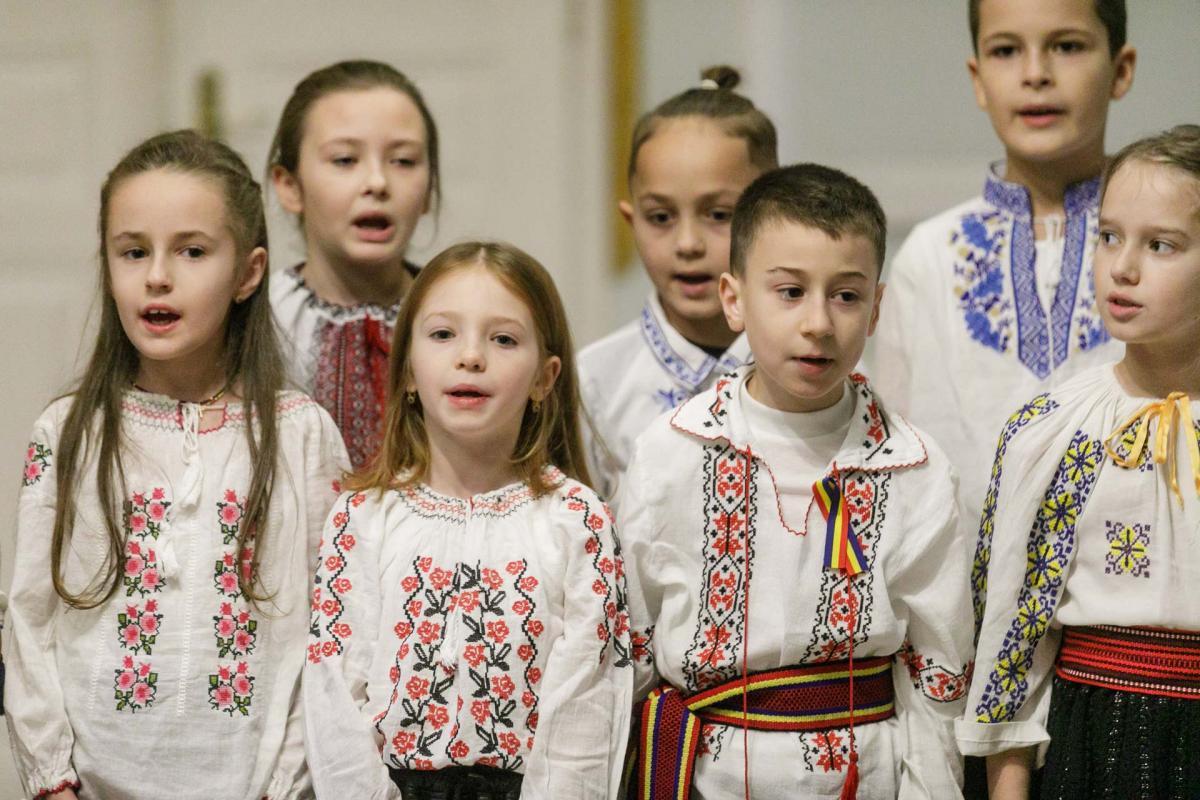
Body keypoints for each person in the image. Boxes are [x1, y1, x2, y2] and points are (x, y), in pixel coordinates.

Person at [4, 130, 349, 800]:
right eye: (133, 251)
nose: (157, 276)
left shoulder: (299, 436)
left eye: (191, 251)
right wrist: (52, 779)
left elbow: (330, 634)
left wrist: (288, 784)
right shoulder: (70, 433)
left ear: (248, 273)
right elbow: (31, 618)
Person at [621, 164, 973, 799]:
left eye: (846, 296)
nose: (818, 323)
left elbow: (938, 673)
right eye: (789, 291)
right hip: (706, 777)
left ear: (875, 308)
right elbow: (630, 656)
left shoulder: (913, 470)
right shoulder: (669, 456)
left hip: (862, 778)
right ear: (734, 299)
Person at [303, 241, 632, 799]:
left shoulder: (577, 521)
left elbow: (587, 708)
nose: (471, 356)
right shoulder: (363, 517)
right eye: (442, 334)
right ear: (408, 370)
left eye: (503, 339)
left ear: (544, 378)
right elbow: (333, 693)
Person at [962, 124, 1200, 800]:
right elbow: (1013, 642)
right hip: (1093, 744)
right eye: (1109, 236)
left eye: (1160, 245)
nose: (1123, 267)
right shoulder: (1053, 430)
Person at [867, 0, 1137, 567]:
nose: (1035, 73)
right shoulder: (930, 257)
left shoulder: (1170, 245)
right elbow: (889, 459)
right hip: (961, 595)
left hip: (1136, 596)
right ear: (978, 79)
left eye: (1067, 46)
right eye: (1007, 50)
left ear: (1121, 69)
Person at [577, 65, 778, 499]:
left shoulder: (820, 368)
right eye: (661, 217)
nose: (687, 244)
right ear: (631, 221)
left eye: (718, 214)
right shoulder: (594, 385)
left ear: (772, 220)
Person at [269, 59, 439, 469]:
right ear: (290, 186)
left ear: (429, 189)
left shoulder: (459, 317)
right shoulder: (257, 321)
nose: (377, 182)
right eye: (345, 160)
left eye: (403, 161)